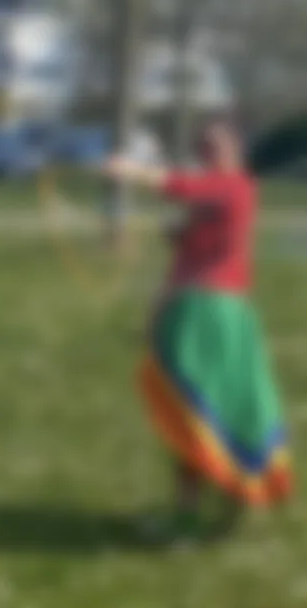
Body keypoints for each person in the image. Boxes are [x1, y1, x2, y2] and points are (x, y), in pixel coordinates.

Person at [104, 117, 291, 538]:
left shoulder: (236, 187)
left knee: (224, 407)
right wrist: (157, 308)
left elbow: (183, 187)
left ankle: (237, 497)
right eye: (203, 145)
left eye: (216, 145)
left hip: (219, 315)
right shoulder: (211, 202)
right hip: (189, 311)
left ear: (237, 149)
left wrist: (129, 170)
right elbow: (184, 262)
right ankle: (189, 508)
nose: (209, 153)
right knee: (186, 410)